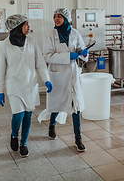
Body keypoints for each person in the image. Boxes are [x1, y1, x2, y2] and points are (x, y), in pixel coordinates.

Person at [0, 14, 53, 157]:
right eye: (26, 24)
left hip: (30, 85)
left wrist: (46, 79)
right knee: (18, 114)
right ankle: (14, 135)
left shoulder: (32, 42)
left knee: (28, 114)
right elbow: (0, 70)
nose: (28, 27)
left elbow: (40, 63)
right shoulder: (4, 46)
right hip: (14, 87)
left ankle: (24, 143)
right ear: (17, 27)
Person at [38, 8, 89, 152]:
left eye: (59, 16)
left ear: (66, 19)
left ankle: (78, 139)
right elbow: (47, 56)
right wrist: (68, 56)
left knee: (76, 106)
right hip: (57, 75)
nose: (56, 19)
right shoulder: (50, 35)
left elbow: (81, 49)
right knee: (57, 104)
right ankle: (52, 126)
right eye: (54, 16)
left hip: (72, 75)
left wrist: (83, 53)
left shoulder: (75, 33)